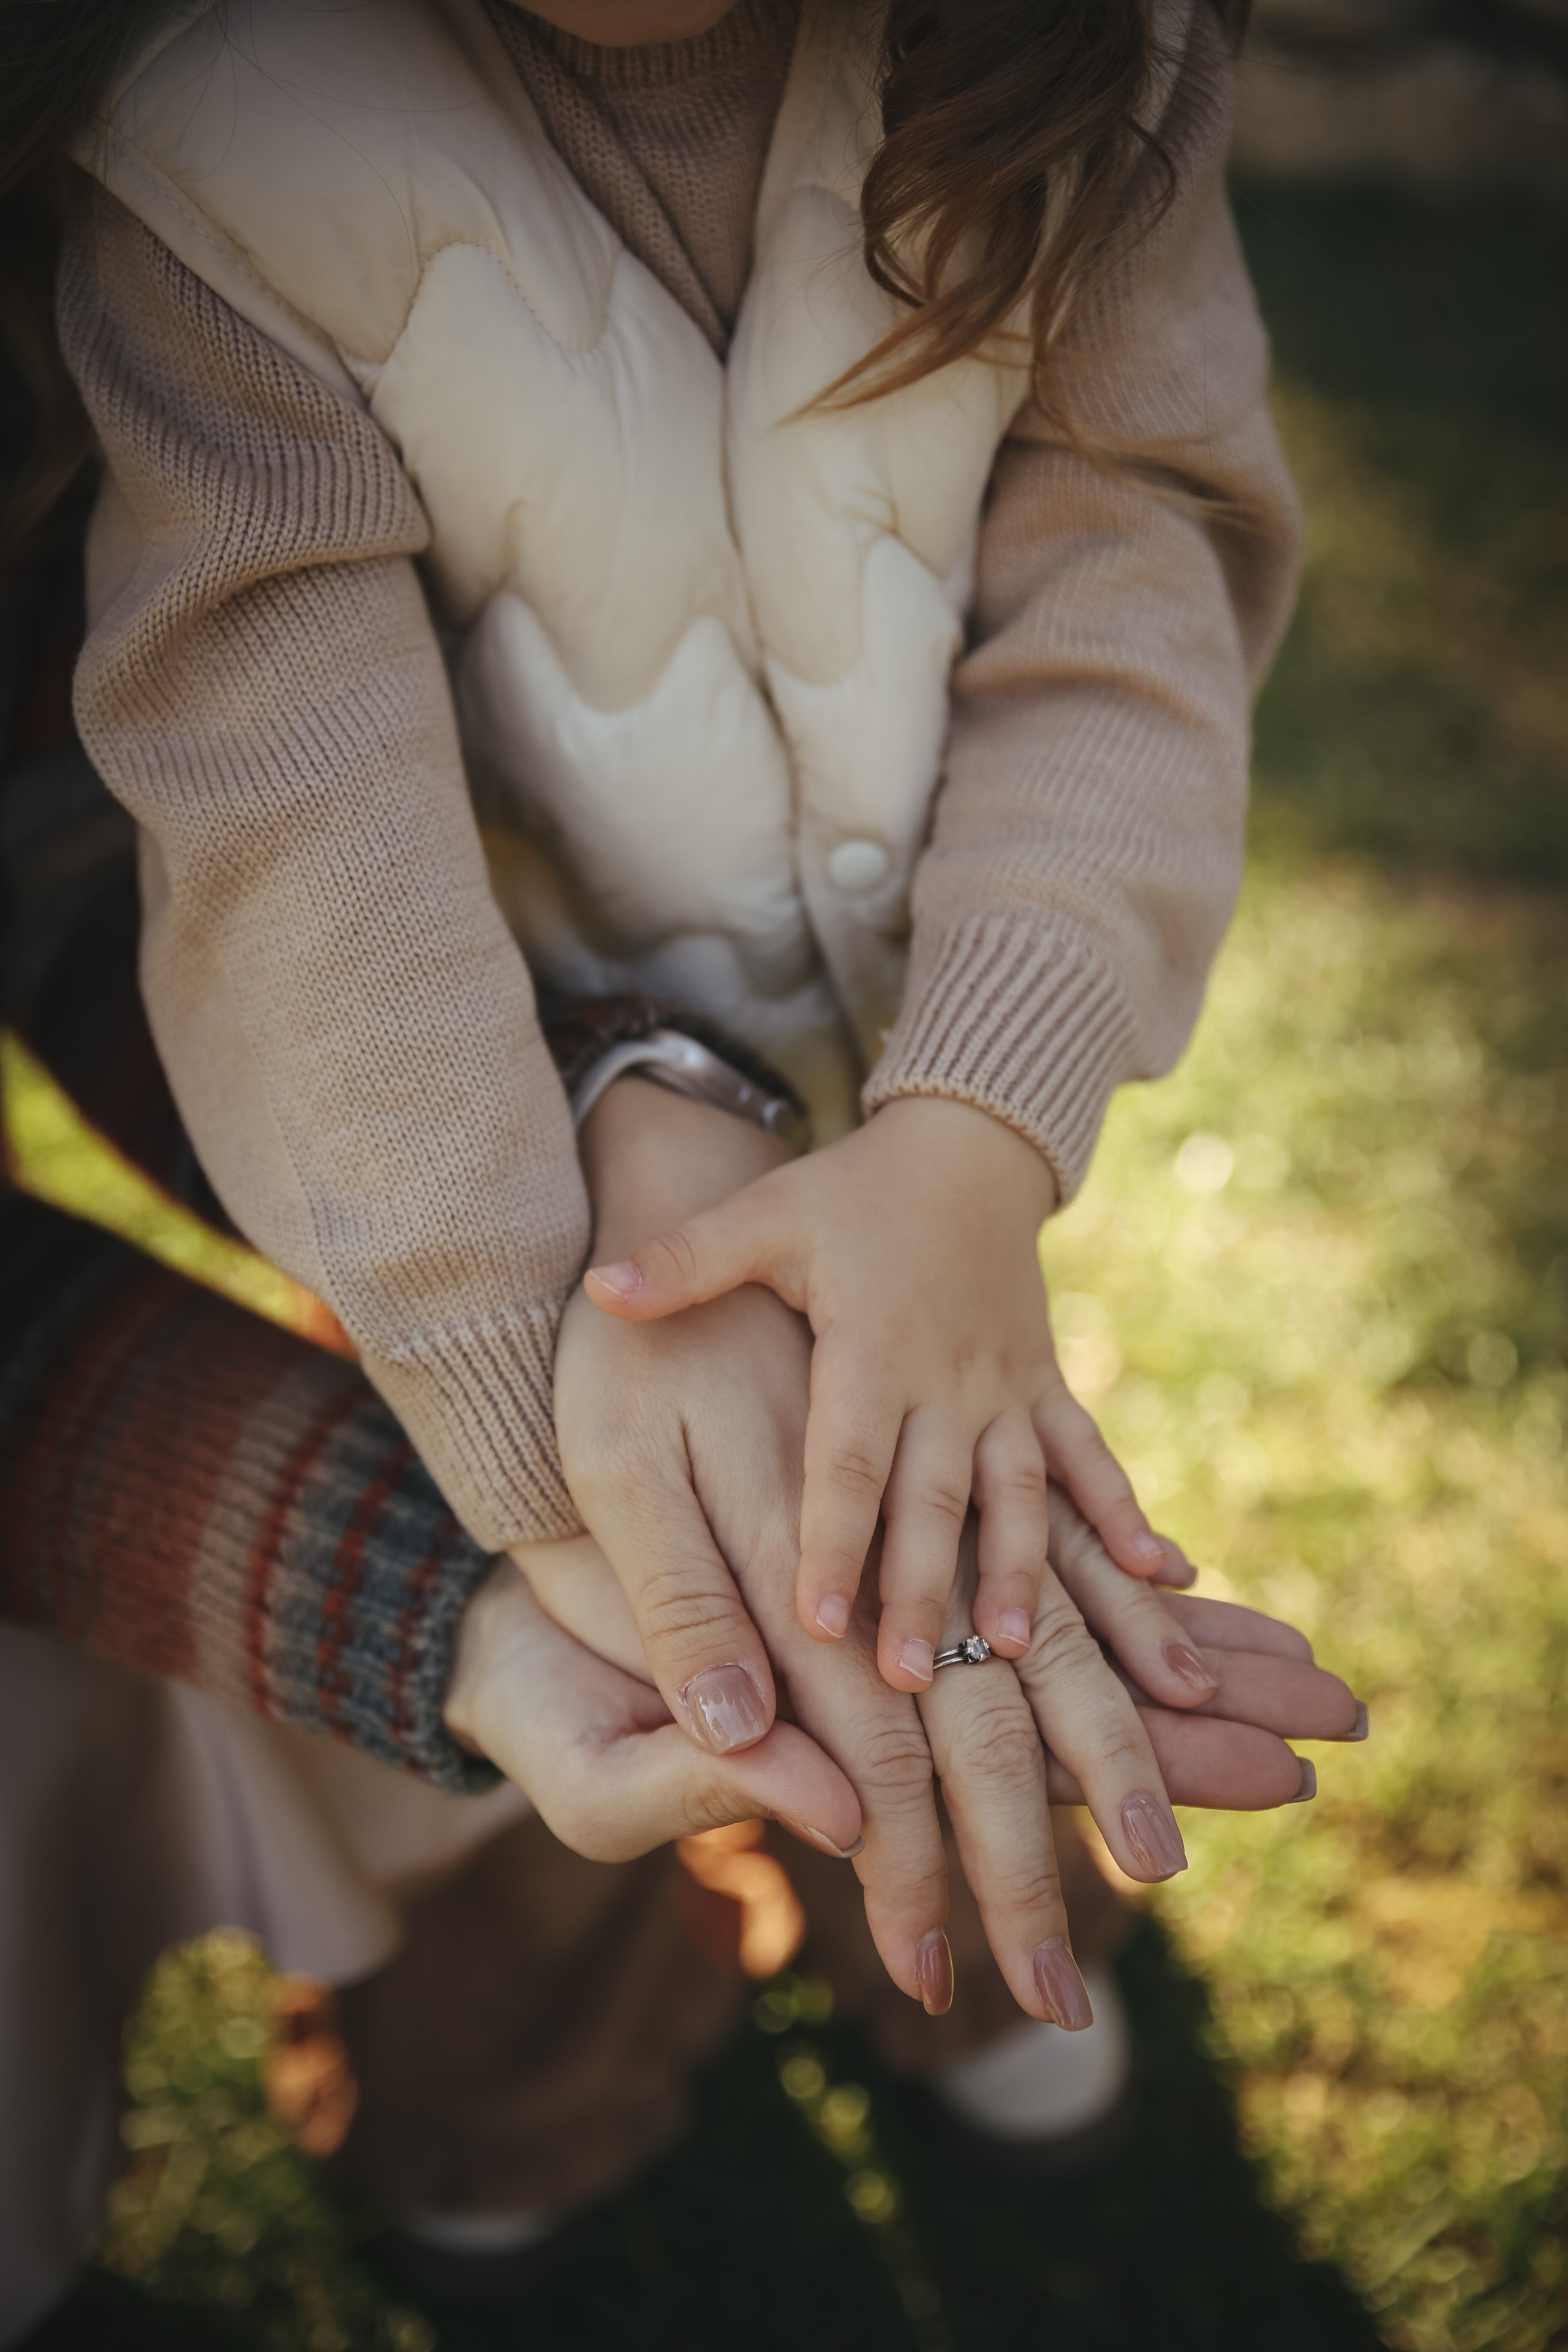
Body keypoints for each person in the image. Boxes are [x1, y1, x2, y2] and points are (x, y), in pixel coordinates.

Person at [0, 0, 1363, 2324]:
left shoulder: (1076, 63)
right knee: (629, 1678)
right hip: (463, 1163)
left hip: (906, 1100)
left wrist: (968, 1126)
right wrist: (543, 1411)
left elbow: (1133, 556)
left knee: (965, 1554)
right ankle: (510, 2112)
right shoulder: (210, 145)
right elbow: (282, 807)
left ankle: (990, 1975)